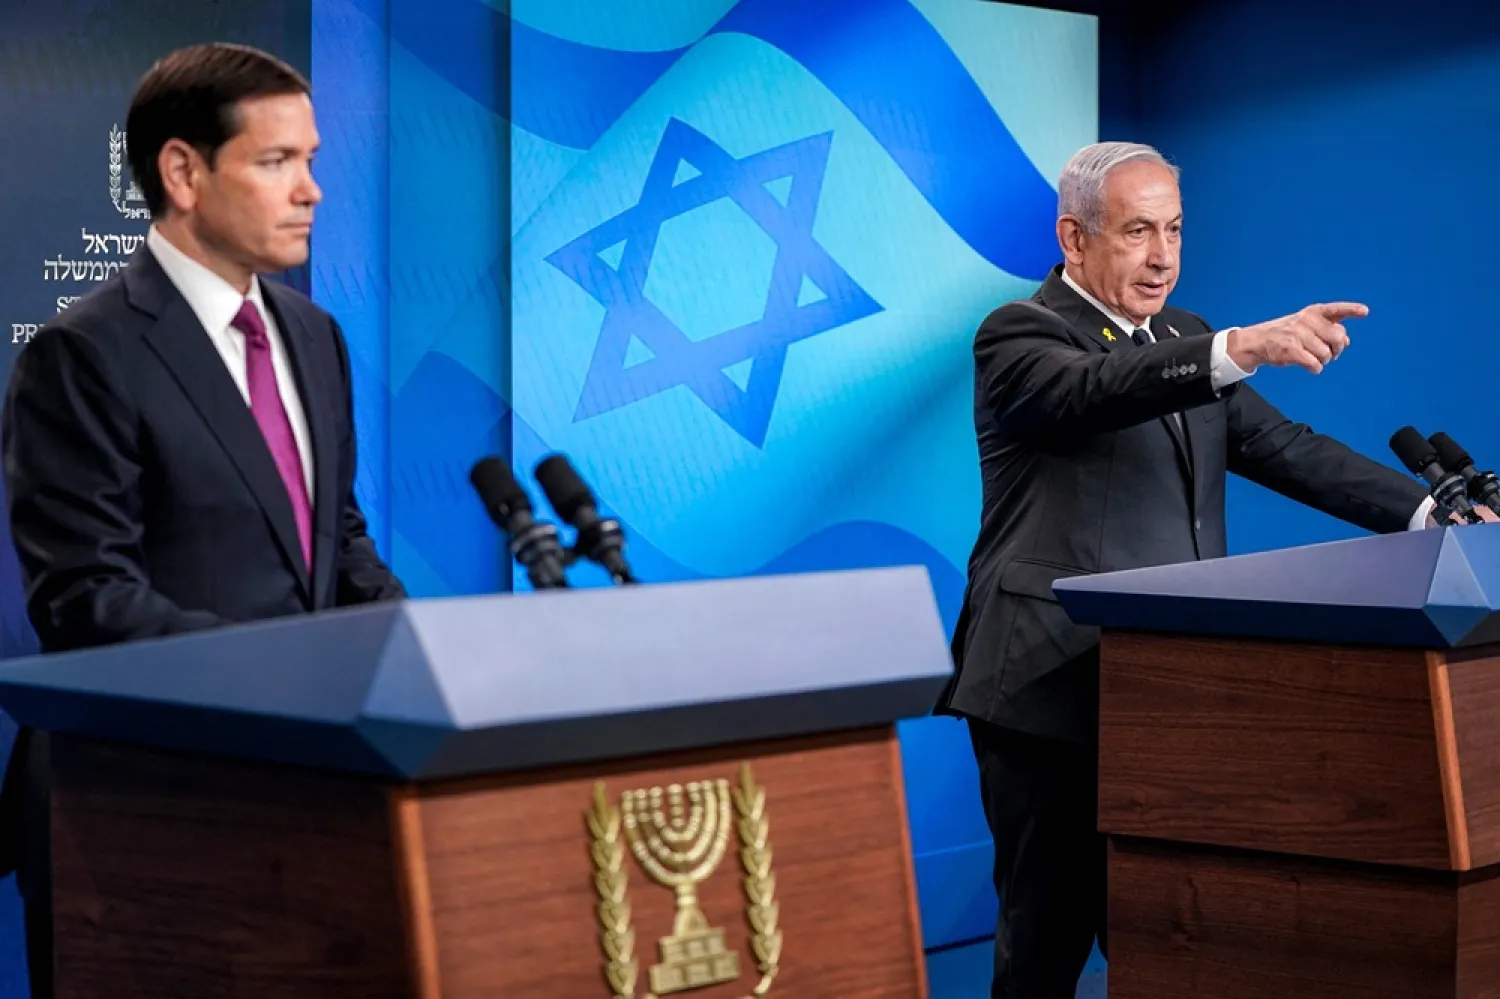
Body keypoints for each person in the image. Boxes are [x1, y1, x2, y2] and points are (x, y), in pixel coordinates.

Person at [935, 141, 1490, 999]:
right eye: (1137, 232)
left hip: (1174, 689)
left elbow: (1284, 448)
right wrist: (1237, 345)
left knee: (1171, 934)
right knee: (1045, 943)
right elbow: (1097, 389)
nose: (1163, 256)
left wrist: (1433, 517)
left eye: (1176, 230)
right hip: (1047, 686)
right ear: (1074, 238)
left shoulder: (1186, 337)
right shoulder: (1019, 335)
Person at [0, 43, 406, 997]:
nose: (310, 190)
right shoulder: (80, 355)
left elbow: (334, 542)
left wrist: (420, 651)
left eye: (312, 161)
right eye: (276, 162)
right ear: (183, 172)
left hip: (305, 793)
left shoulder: (315, 335)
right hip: (140, 803)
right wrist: (291, 682)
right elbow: (87, 601)